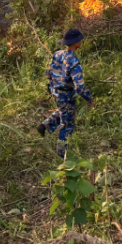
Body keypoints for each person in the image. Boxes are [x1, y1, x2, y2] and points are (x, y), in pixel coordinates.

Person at [36, 29, 95, 158]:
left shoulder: (58, 54)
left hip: (55, 91)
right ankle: (62, 155)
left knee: (64, 110)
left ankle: (45, 125)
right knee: (67, 124)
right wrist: (89, 99)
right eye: (79, 40)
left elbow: (49, 73)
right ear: (76, 42)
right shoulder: (74, 62)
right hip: (65, 94)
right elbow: (80, 87)